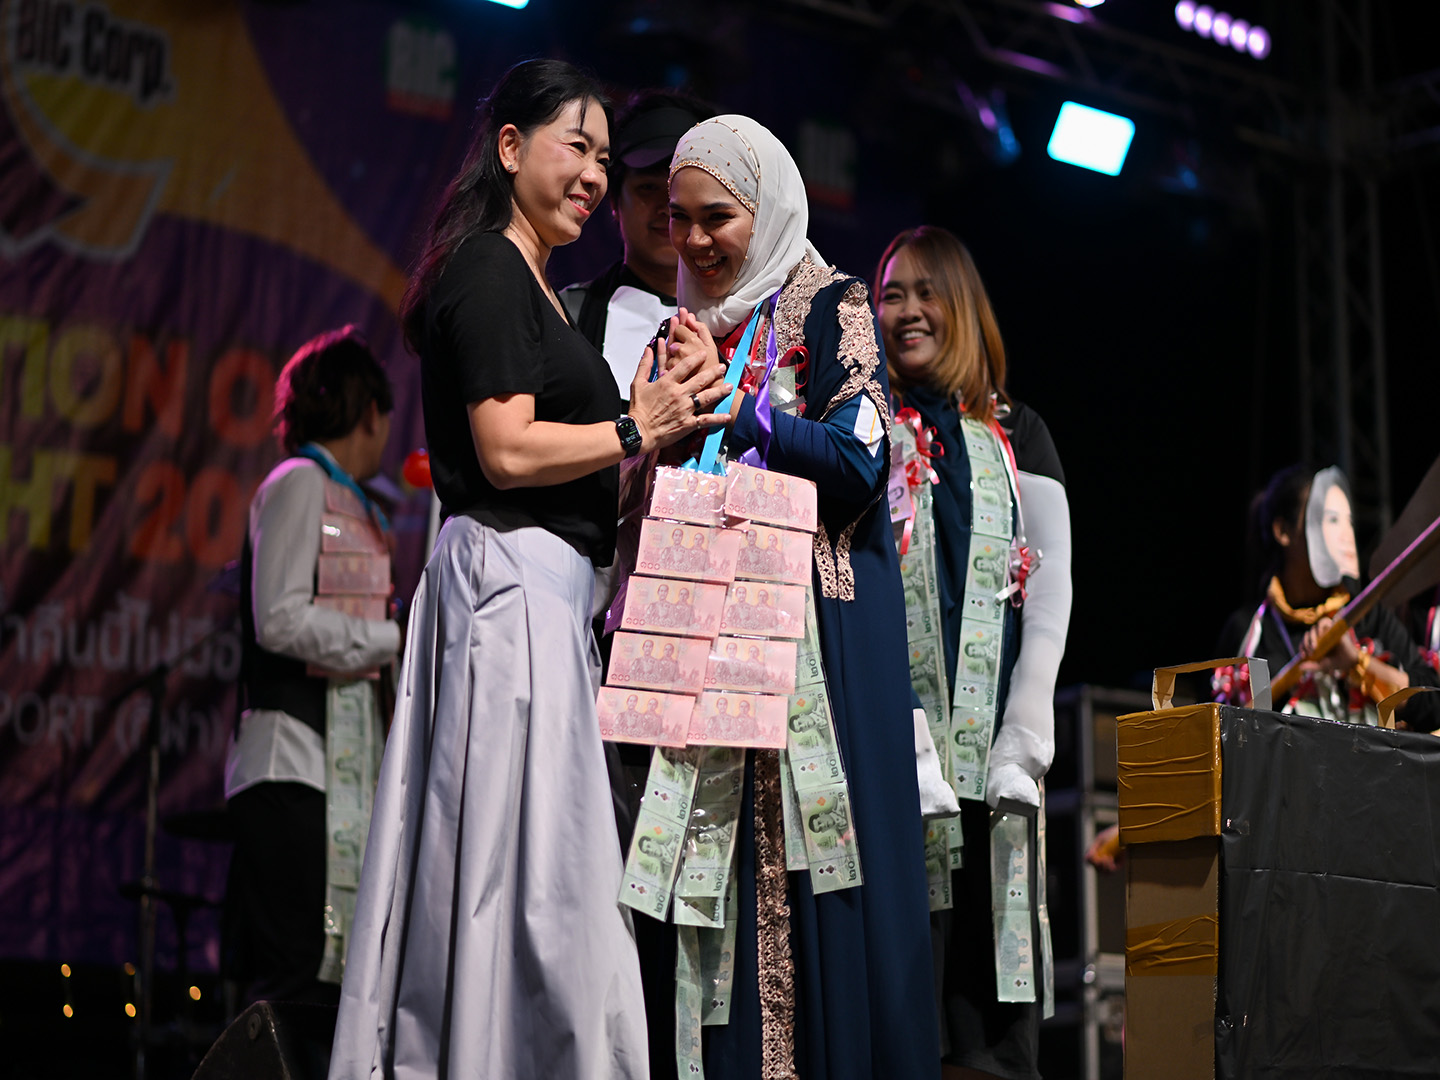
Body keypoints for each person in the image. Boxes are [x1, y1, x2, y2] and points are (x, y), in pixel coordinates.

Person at [327, 59, 730, 1080]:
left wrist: (651, 411)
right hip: (508, 590)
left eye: (603, 157)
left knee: (538, 874)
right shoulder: (490, 267)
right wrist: (637, 424)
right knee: (514, 874)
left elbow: (575, 452)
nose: (594, 175)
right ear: (510, 148)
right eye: (577, 148)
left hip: (539, 595)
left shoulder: (537, 285)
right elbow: (506, 450)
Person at [662, 115, 941, 1080]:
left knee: (826, 877)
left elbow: (861, 460)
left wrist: (741, 412)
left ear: (769, 206)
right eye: (679, 219)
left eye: (718, 217)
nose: (695, 239)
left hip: (825, 634)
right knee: (729, 878)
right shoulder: (688, 330)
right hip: (715, 641)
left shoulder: (832, 305)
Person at [876, 225, 1073, 1080]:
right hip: (902, 759)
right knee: (911, 1016)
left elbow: (1052, 584)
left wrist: (1025, 728)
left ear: (963, 307)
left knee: (991, 1033)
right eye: (890, 294)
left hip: (995, 758)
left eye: (927, 291)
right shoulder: (866, 427)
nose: (908, 311)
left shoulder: (1017, 431)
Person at [224, 326, 400, 1008]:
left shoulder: (353, 501)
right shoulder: (299, 482)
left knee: (324, 982)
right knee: (294, 978)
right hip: (289, 766)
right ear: (370, 412)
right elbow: (280, 618)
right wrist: (390, 638)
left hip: (329, 770)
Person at [1213, 463, 1440, 729]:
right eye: (1331, 520)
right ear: (1283, 532)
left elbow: (1433, 704)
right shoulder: (1250, 631)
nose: (1346, 535)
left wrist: (1358, 662)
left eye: (1349, 521)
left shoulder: (1369, 616)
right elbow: (1214, 733)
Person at [561, 89, 715, 398]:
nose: (668, 207)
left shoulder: (755, 322)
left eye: (681, 188)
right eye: (647, 187)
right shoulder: (566, 315)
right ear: (614, 201)